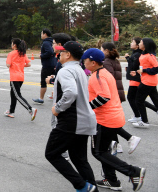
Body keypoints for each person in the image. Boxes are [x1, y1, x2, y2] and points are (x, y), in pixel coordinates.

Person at [82, 48, 146, 191]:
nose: (83, 63)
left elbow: (104, 97)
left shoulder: (97, 76)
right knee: (104, 151)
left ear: (93, 62)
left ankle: (133, 171)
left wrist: (87, 107)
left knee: (98, 152)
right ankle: (112, 181)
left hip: (104, 120)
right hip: (113, 117)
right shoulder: (104, 73)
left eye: (85, 60)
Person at [45, 41, 98, 192]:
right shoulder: (80, 69)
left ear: (68, 55)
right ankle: (91, 189)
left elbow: (71, 93)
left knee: (52, 153)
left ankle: (82, 186)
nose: (59, 54)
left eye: (61, 52)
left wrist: (57, 108)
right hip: (84, 119)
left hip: (72, 121)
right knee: (79, 159)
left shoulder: (65, 71)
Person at [101, 42, 140, 155]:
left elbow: (108, 79)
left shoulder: (107, 62)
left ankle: (129, 139)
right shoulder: (115, 61)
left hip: (110, 94)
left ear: (107, 51)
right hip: (116, 92)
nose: (101, 51)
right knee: (109, 121)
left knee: (107, 122)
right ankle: (117, 144)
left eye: (102, 49)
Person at [125, 37, 158, 123]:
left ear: (145, 45)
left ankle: (144, 121)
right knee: (154, 100)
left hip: (148, 81)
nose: (139, 44)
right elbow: (142, 68)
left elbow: (156, 68)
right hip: (146, 80)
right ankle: (143, 120)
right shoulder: (143, 55)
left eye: (141, 42)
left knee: (138, 101)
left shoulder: (149, 55)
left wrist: (144, 71)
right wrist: (137, 72)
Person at [5, 38, 37, 121]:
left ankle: (30, 109)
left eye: (12, 43)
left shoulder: (11, 54)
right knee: (13, 94)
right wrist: (20, 65)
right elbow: (29, 64)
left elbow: (8, 64)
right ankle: (11, 111)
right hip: (21, 77)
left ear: (14, 45)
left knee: (17, 95)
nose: (11, 45)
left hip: (14, 77)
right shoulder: (23, 54)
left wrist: (14, 65)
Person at [33, 29, 57, 104]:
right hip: (54, 63)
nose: (41, 35)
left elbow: (50, 52)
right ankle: (55, 95)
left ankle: (41, 98)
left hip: (47, 65)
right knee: (55, 80)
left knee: (43, 82)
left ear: (45, 34)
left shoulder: (46, 42)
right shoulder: (51, 42)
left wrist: (42, 55)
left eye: (41, 34)